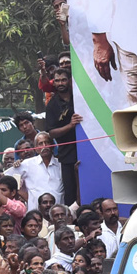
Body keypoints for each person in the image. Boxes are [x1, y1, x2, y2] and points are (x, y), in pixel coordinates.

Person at [43, 68, 82, 206]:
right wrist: (70, 126)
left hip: (87, 148)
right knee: (71, 190)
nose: (60, 83)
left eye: (63, 79)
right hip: (67, 153)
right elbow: (51, 132)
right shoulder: (52, 105)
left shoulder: (80, 96)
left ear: (70, 80)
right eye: (57, 80)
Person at [16, 132, 64, 209]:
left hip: (57, 215)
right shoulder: (27, 164)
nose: (44, 146)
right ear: (36, 148)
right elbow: (10, 181)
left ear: (52, 146)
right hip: (36, 215)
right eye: (40, 144)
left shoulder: (61, 164)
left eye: (47, 142)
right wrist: (27, 197)